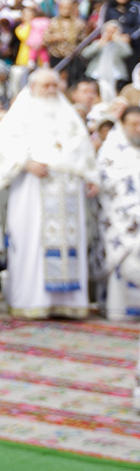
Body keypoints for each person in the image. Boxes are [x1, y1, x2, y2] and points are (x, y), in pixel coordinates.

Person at [0, 69, 98, 319]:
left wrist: (91, 176)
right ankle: (32, 301)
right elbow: (2, 147)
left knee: (68, 243)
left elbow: (83, 148)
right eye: (45, 86)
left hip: (67, 191)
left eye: (54, 86)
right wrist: (25, 163)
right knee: (32, 242)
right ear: (33, 87)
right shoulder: (20, 113)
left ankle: (67, 303)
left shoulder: (68, 113)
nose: (51, 90)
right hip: (32, 188)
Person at [96, 103, 140, 323]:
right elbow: (106, 183)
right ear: (122, 124)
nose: (138, 129)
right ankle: (119, 309)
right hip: (120, 216)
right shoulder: (111, 150)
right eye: (134, 124)